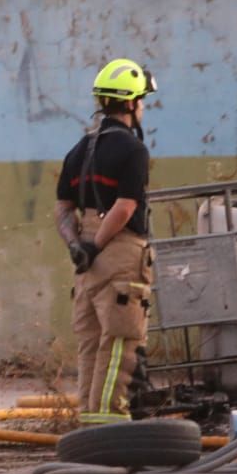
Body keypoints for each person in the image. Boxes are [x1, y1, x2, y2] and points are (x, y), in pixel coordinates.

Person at [55, 58, 158, 425]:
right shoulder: (133, 150)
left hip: (85, 259)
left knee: (90, 345)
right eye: (142, 100)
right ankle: (110, 426)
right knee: (119, 344)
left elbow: (63, 210)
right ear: (130, 103)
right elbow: (126, 206)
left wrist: (77, 246)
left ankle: (89, 423)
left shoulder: (78, 150)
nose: (143, 107)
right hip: (118, 250)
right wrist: (97, 245)